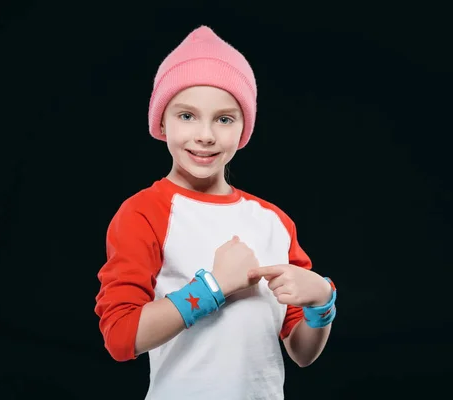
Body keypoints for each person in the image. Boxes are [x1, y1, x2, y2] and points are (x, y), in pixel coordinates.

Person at [94, 25, 337, 400]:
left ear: (243, 130)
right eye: (186, 115)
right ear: (161, 122)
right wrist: (215, 287)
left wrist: (322, 301)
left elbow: (302, 353)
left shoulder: (274, 221)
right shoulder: (143, 212)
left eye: (224, 119)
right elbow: (121, 337)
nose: (205, 135)